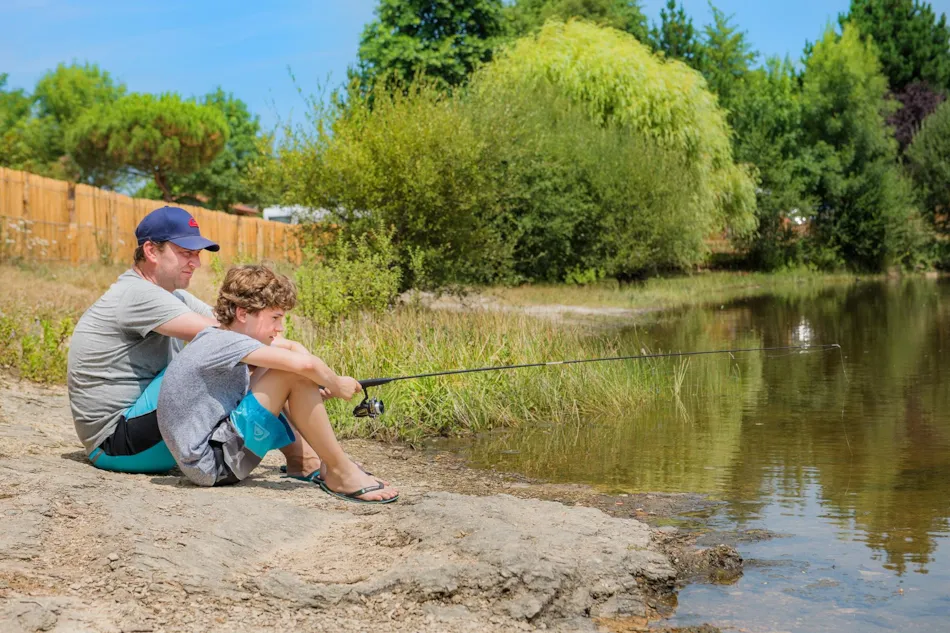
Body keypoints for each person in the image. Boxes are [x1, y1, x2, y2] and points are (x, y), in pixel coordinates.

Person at [66, 206, 325, 479]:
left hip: (143, 434)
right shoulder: (136, 294)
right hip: (117, 445)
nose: (196, 263)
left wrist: (295, 363)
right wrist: (298, 361)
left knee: (246, 357)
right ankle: (304, 459)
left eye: (197, 254)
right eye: (185, 253)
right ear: (152, 251)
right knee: (233, 357)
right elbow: (234, 339)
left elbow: (239, 327)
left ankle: (304, 458)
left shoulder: (173, 297)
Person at [157, 264, 398, 503]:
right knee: (292, 372)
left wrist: (308, 390)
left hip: (211, 456)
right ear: (242, 313)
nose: (280, 327)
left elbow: (293, 354)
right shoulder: (225, 342)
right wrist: (337, 384)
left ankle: (317, 462)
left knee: (288, 372)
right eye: (275, 318)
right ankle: (340, 471)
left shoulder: (219, 337)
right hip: (213, 464)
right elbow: (305, 365)